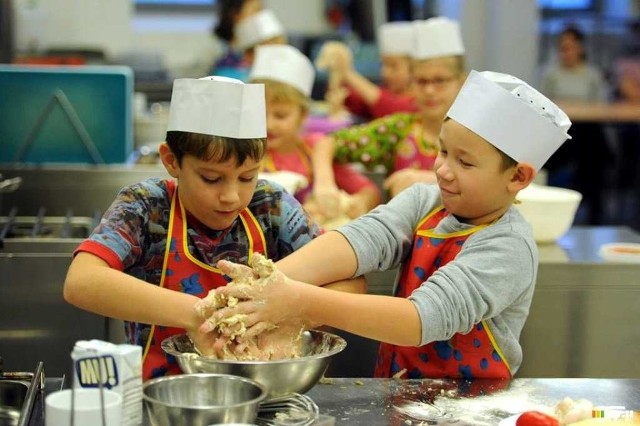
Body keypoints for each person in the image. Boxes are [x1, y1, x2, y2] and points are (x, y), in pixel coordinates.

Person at [203, 70, 573, 379]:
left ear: (518, 177)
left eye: (466, 162)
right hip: (398, 394)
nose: (443, 169)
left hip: (471, 405)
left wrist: (299, 302)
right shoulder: (426, 202)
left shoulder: (507, 246)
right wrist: (259, 288)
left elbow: (420, 319)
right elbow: (358, 242)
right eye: (443, 151)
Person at [62, 76, 361, 380]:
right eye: (211, 178)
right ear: (171, 160)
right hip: (165, 395)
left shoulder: (270, 206)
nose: (231, 196)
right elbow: (81, 282)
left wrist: (292, 311)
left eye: (247, 177)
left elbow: (350, 281)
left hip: (263, 389)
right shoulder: (145, 207)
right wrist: (199, 314)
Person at [312, 17, 467, 204]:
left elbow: (497, 183)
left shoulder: (477, 136)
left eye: (440, 81)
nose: (429, 91)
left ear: (461, 82)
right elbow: (328, 142)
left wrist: (428, 180)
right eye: (421, 81)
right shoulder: (399, 130)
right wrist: (324, 184)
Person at [249, 44, 381, 226]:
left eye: (280, 115)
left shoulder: (313, 151)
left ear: (302, 115)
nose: (269, 124)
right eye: (259, 114)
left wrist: (359, 203)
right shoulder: (247, 153)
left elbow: (369, 190)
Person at [540, 25, 612, 224]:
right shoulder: (551, 74)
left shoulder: (592, 75)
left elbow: (601, 107)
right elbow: (543, 104)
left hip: (587, 131)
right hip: (560, 131)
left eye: (571, 47)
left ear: (580, 48)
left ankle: (594, 212)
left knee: (593, 148)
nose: (567, 52)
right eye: (563, 47)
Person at [316, 21, 417, 122]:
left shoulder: (420, 101)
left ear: (414, 69)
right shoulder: (385, 89)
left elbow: (392, 108)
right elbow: (350, 99)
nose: (385, 72)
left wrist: (348, 73)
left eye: (393, 66)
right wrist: (337, 71)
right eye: (383, 65)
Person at [211, 0, 264, 80]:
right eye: (256, 12)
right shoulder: (212, 52)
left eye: (261, 11)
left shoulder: (266, 50)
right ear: (234, 14)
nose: (261, 19)